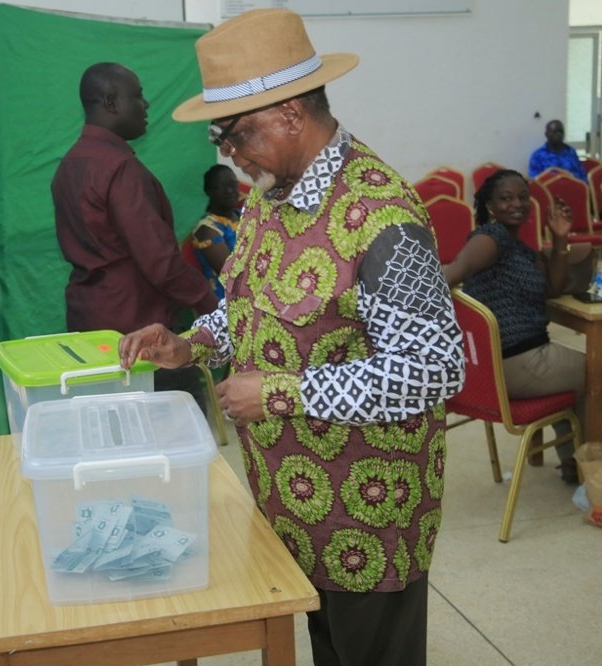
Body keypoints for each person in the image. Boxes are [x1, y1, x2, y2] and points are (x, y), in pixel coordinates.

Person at [118, 9, 465, 665]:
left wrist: (279, 392)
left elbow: (433, 368)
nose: (227, 152)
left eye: (234, 133)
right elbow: (252, 308)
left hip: (371, 509)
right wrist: (192, 343)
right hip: (294, 499)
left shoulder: (380, 215)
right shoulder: (269, 197)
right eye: (220, 137)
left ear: (290, 115)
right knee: (327, 646)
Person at [442, 169, 602, 483]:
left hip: (510, 362)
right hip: (517, 362)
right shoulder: (491, 238)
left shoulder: (517, 246)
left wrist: (560, 237)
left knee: (573, 373)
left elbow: (555, 286)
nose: (518, 204)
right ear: (490, 205)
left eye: (523, 197)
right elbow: (453, 271)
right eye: (506, 198)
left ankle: (574, 464)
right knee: (597, 371)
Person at [51, 62, 219, 402]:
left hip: (88, 323)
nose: (146, 105)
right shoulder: (121, 169)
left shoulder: (69, 165)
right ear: (111, 103)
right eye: (138, 96)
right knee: (172, 434)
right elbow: (160, 261)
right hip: (141, 333)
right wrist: (211, 305)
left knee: (109, 429)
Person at [191, 164, 241, 299]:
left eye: (233, 185)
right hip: (230, 302)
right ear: (208, 191)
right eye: (222, 186)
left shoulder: (243, 215)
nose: (230, 191)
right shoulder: (207, 230)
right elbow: (234, 278)